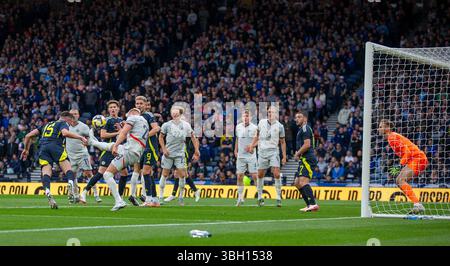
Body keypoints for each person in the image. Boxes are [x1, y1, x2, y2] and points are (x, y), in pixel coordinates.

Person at [21, 111, 88, 209]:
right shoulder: (63, 123)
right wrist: (80, 137)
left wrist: (26, 149)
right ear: (68, 119)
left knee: (46, 173)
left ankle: (47, 190)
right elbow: (65, 133)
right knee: (68, 168)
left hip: (43, 149)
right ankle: (70, 183)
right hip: (56, 146)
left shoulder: (46, 125)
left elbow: (28, 136)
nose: (69, 124)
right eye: (70, 122)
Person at [88, 108, 149, 211]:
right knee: (110, 146)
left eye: (127, 116)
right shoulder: (144, 122)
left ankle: (119, 201)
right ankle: (92, 142)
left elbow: (124, 133)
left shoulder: (133, 118)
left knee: (107, 174)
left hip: (130, 151)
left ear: (131, 114)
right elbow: (132, 133)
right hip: (136, 152)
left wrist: (117, 144)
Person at [79, 100, 128, 204]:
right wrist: (118, 132)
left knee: (124, 174)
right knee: (101, 173)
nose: (113, 109)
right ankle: (84, 192)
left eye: (115, 107)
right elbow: (103, 135)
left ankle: (119, 199)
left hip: (119, 150)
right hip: (108, 150)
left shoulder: (121, 120)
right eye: (111, 107)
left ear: (118, 109)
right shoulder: (107, 120)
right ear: (108, 110)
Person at [378, 119, 428, 214]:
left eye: (381, 126)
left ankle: (418, 204)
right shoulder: (392, 137)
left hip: (417, 158)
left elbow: (408, 152)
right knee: (398, 180)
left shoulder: (392, 137)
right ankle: (417, 204)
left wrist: (399, 166)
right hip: (413, 159)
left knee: (400, 180)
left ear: (387, 128)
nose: (378, 129)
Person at [158, 106, 200, 206]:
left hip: (180, 154)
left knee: (182, 175)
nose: (175, 115)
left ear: (180, 115)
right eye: (173, 114)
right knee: (164, 174)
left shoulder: (186, 125)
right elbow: (160, 137)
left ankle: (181, 197)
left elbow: (193, 137)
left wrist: (196, 150)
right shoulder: (166, 125)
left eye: (177, 114)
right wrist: (163, 148)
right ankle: (160, 197)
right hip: (168, 153)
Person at [250, 106, 287, 207]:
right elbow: (257, 136)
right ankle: (260, 197)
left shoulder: (280, 126)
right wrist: (252, 145)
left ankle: (279, 197)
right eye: (269, 112)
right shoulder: (261, 122)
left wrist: (284, 156)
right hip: (262, 152)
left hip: (274, 151)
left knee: (276, 173)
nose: (270, 113)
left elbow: (283, 142)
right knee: (260, 174)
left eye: (272, 112)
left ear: (276, 114)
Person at [129, 96, 161, 207]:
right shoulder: (136, 117)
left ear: (145, 104)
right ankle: (155, 200)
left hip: (150, 147)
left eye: (141, 103)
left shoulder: (148, 115)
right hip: (142, 148)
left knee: (146, 172)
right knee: (149, 173)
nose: (138, 105)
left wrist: (144, 136)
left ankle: (148, 200)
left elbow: (156, 128)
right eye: (137, 103)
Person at [66, 108, 101, 203]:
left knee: (89, 173)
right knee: (72, 176)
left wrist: (88, 143)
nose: (73, 116)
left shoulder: (84, 127)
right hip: (70, 155)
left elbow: (91, 138)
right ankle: (76, 196)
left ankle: (96, 195)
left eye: (75, 114)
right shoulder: (65, 126)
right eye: (71, 114)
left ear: (78, 115)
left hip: (82, 154)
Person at [293, 110, 320, 212]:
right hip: (304, 158)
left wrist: (297, 153)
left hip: (308, 158)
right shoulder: (301, 130)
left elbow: (307, 144)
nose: (297, 119)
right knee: (297, 182)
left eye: (299, 117)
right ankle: (309, 204)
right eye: (296, 117)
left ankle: (313, 204)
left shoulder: (305, 128)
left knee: (303, 181)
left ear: (305, 119)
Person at [234, 109, 258, 206]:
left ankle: (260, 196)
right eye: (244, 116)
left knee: (255, 176)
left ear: (250, 117)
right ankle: (240, 198)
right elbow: (237, 139)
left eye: (247, 116)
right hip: (241, 155)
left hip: (251, 156)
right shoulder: (238, 127)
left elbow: (259, 140)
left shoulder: (255, 128)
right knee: (239, 176)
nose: (245, 118)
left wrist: (252, 146)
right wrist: (235, 150)